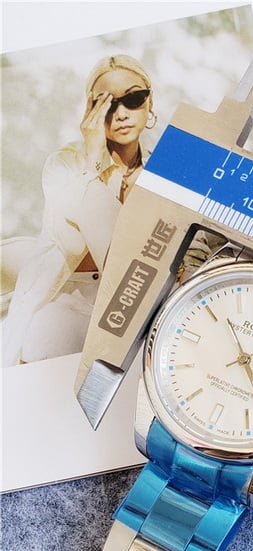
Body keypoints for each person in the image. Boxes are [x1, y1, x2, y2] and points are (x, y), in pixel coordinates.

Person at [1, 54, 156, 366]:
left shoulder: (162, 176)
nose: (121, 114)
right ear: (90, 110)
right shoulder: (66, 164)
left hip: (140, 306)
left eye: (133, 98)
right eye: (107, 104)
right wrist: (94, 155)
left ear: (150, 102)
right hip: (69, 299)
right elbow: (97, 241)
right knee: (50, 338)